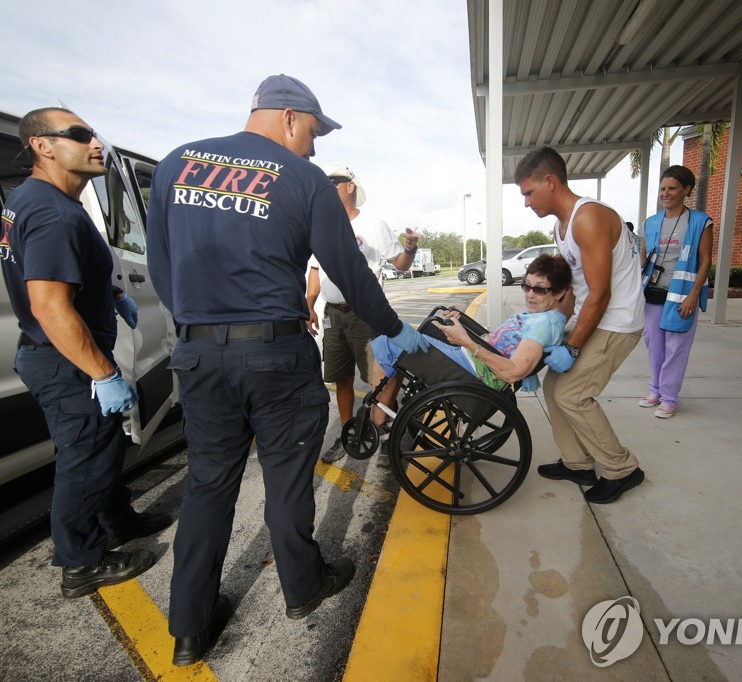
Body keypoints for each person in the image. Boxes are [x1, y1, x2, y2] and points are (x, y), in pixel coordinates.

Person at [146, 74, 427, 667]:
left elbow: (161, 265)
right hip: (274, 353)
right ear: (290, 118)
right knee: (286, 478)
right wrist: (394, 330)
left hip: (200, 353)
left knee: (207, 484)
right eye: (315, 132)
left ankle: (189, 627)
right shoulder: (303, 180)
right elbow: (349, 272)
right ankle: (302, 588)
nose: (315, 148)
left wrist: (200, 326)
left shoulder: (175, 164)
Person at [0, 108, 170, 600]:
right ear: (42, 145)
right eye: (78, 135)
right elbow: (50, 306)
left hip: (61, 354)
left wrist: (112, 296)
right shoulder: (53, 212)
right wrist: (102, 372)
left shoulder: (36, 199)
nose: (96, 143)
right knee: (85, 456)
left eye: (93, 134)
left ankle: (117, 520)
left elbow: (64, 271)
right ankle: (81, 562)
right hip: (65, 358)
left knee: (103, 446)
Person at [514, 147, 646, 505]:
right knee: (554, 384)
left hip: (616, 322)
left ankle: (622, 469)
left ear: (550, 182)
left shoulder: (588, 217)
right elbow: (577, 289)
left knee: (573, 393)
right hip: (597, 316)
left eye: (528, 192)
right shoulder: (563, 226)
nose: (526, 202)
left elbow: (601, 294)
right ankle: (578, 464)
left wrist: (572, 347)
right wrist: (553, 326)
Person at [305, 162, 420, 463]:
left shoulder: (372, 224)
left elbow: (401, 264)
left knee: (381, 376)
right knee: (341, 379)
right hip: (333, 314)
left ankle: (382, 433)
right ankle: (350, 435)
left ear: (350, 186)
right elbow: (315, 269)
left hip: (366, 314)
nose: (327, 187)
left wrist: (409, 249)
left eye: (333, 182)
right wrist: (309, 303)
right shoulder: (322, 224)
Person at [370, 253, 572, 390]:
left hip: (475, 370)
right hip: (472, 361)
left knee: (389, 341)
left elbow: (514, 372)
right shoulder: (543, 317)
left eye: (539, 289)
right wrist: (464, 325)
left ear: (559, 292)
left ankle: (378, 417)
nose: (529, 294)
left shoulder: (544, 325)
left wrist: (466, 341)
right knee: (412, 338)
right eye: (526, 286)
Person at [639, 165, 713, 418]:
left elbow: (705, 260)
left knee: (676, 348)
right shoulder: (650, 223)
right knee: (654, 346)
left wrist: (694, 294)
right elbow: (642, 260)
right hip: (653, 294)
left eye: (672, 188)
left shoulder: (701, 221)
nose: (665, 193)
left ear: (686, 190)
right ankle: (655, 390)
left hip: (682, 296)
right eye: (662, 188)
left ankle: (670, 398)